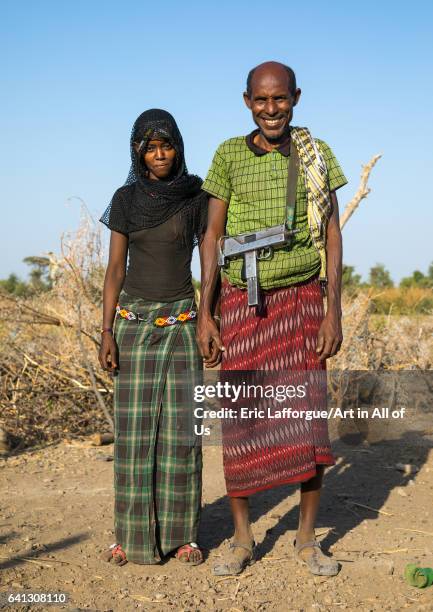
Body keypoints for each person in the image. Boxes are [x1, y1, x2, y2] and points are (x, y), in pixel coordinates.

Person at [197, 62, 347, 576]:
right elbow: (212, 238)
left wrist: (334, 311)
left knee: (307, 421)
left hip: (304, 302)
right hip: (242, 303)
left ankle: (306, 540)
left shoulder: (316, 154)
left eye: (280, 99)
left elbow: (331, 234)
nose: (271, 110)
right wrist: (205, 314)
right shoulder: (227, 155)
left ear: (296, 97)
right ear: (246, 102)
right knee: (241, 421)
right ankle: (242, 538)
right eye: (261, 101)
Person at [99, 108, 207, 566]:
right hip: (134, 325)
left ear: (178, 147)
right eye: (150, 148)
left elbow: (211, 261)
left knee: (184, 433)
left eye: (167, 146)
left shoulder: (197, 196)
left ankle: (184, 537)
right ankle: (130, 537)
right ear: (138, 153)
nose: (160, 155)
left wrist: (209, 317)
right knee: (135, 435)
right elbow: (114, 270)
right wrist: (105, 331)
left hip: (182, 323)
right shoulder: (126, 199)